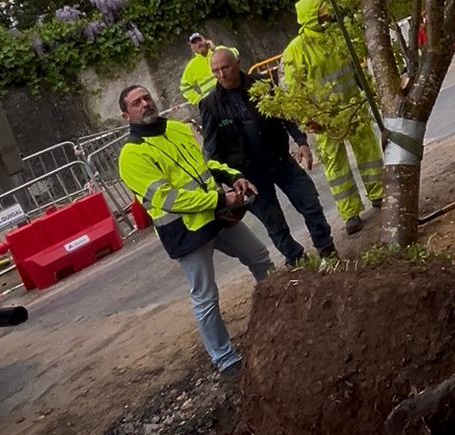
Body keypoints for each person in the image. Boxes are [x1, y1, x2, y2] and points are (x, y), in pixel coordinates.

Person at [117, 82, 272, 374]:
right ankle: (225, 359)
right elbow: (167, 198)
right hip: (186, 231)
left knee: (260, 257)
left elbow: (208, 163)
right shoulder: (131, 156)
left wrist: (233, 176)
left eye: (146, 97)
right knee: (205, 296)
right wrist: (219, 198)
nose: (145, 104)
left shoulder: (177, 128)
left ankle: (281, 313)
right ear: (126, 116)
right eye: (136, 103)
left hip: (217, 215)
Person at [200, 47, 337, 265]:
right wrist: (231, 180)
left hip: (281, 161)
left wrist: (301, 142)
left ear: (236, 63)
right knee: (273, 222)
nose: (221, 75)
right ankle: (297, 259)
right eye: (215, 71)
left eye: (225, 67)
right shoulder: (210, 105)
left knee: (310, 203)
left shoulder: (262, 84)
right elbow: (212, 151)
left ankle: (327, 250)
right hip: (249, 176)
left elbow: (286, 115)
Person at [279, 0, 384, 234]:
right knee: (336, 166)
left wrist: (370, 92)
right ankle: (350, 213)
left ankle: (378, 194)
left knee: (368, 153)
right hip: (324, 120)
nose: (327, 15)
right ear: (311, 16)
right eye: (321, 12)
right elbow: (291, 92)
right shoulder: (296, 50)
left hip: (353, 108)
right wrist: (307, 121)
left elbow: (357, 69)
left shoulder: (338, 37)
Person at [180, 32, 238, 112]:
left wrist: (215, 49)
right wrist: (200, 101)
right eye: (194, 42)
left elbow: (235, 54)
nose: (198, 43)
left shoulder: (219, 50)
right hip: (216, 105)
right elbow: (184, 88)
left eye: (199, 40)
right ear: (191, 47)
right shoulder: (191, 66)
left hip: (234, 93)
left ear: (206, 40)